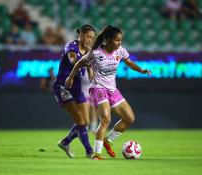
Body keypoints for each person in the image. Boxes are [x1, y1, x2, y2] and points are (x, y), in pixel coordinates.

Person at [65, 25, 152, 160]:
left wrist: (141, 70)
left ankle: (107, 141)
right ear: (109, 40)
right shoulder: (96, 53)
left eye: (120, 40)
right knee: (106, 119)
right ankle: (97, 154)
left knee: (130, 118)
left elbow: (129, 62)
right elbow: (79, 63)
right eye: (117, 40)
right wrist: (70, 77)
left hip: (113, 89)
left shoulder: (120, 51)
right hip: (98, 88)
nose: (120, 43)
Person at [53, 24, 96, 158]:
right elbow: (73, 60)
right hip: (63, 86)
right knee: (80, 120)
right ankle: (89, 151)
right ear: (81, 35)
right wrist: (84, 63)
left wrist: (90, 71)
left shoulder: (89, 50)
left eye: (91, 38)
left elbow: (89, 67)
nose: (89, 40)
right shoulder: (71, 45)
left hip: (76, 88)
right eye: (88, 36)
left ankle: (65, 142)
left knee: (86, 121)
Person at [81, 67, 99, 133]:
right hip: (84, 93)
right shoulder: (81, 69)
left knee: (94, 112)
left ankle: (93, 129)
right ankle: (84, 130)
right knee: (86, 112)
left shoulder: (96, 69)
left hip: (94, 94)